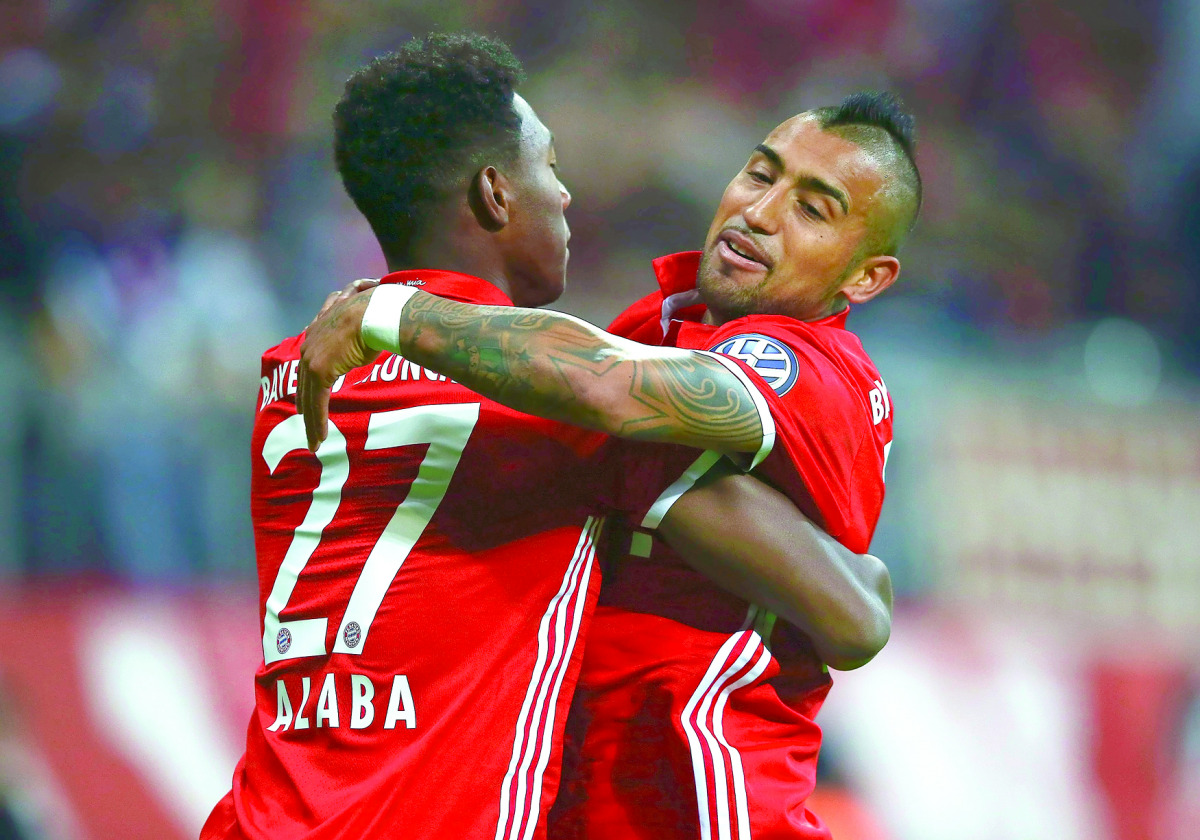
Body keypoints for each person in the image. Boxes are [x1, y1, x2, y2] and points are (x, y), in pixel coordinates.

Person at [207, 34, 890, 840]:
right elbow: (852, 616)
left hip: (262, 811)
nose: (565, 198)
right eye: (551, 169)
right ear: (498, 195)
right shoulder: (554, 414)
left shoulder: (294, 369)